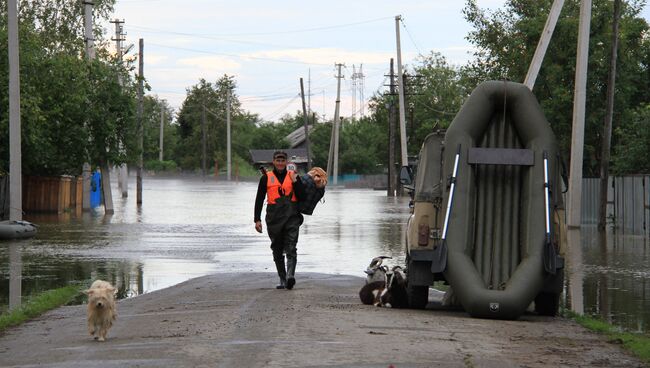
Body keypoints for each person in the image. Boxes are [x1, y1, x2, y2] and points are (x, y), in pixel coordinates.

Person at [254, 150, 304, 290]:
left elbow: (302, 196)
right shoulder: (266, 178)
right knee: (277, 248)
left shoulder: (293, 176)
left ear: (286, 162)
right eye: (278, 160)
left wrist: (295, 182)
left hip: (292, 216)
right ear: (274, 162)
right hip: (274, 218)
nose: (280, 163)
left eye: (283, 161)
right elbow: (259, 199)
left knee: (291, 246)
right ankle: (282, 278)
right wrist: (257, 219)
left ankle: (290, 277)